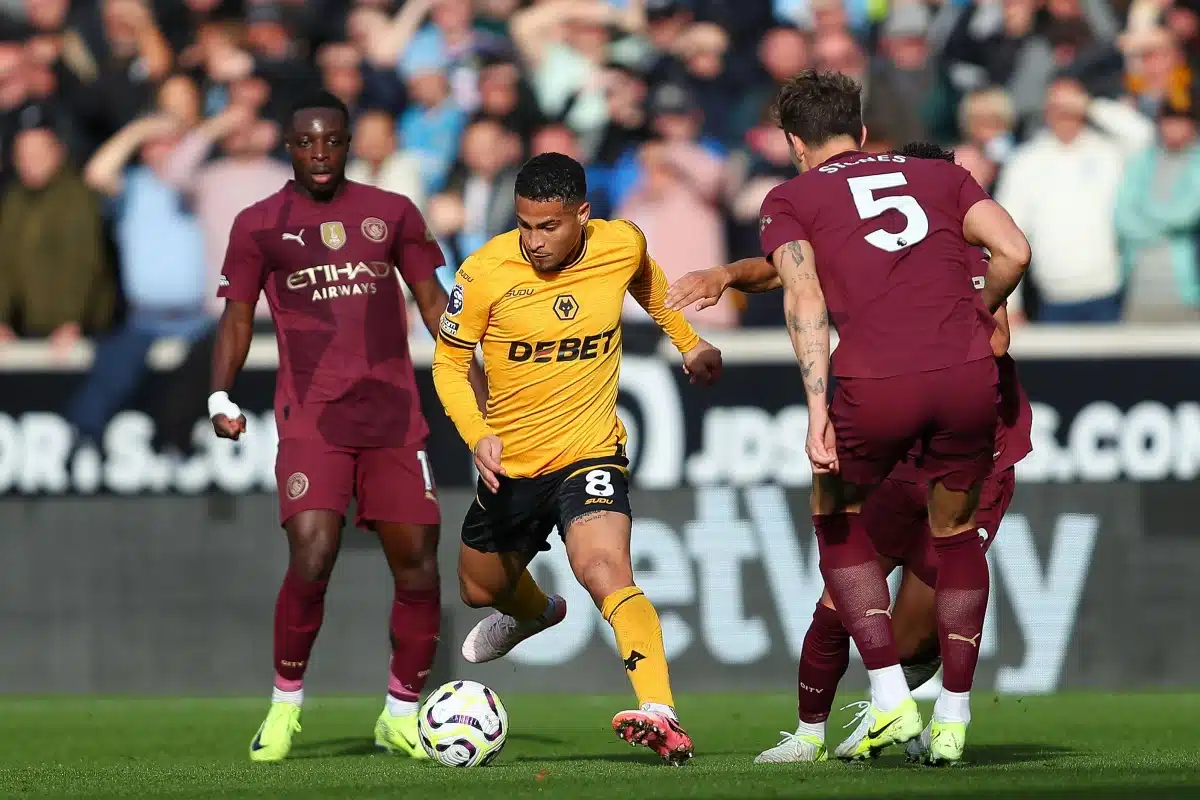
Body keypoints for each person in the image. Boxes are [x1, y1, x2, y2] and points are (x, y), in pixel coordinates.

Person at [667, 141, 1034, 765]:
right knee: (839, 603)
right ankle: (810, 734)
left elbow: (994, 340)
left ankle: (908, 707)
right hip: (899, 457)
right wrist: (727, 275)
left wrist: (949, 320)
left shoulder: (964, 259)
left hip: (968, 455)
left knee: (909, 629)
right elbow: (789, 269)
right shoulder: (893, 248)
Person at [753, 71, 1030, 764]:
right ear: (862, 130)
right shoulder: (941, 176)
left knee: (835, 515)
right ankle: (953, 716)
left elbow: (804, 296)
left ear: (794, 143)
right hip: (966, 377)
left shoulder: (792, 197)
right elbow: (1016, 252)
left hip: (875, 380)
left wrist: (816, 407)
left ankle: (888, 697)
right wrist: (977, 311)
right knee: (957, 536)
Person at [208, 89, 485, 763]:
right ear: (288, 147)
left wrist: (479, 395)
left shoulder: (392, 212)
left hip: (394, 418)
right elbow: (238, 316)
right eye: (306, 142)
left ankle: (400, 713)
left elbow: (433, 301)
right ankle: (285, 706)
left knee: (417, 568)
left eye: (332, 140)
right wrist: (220, 394)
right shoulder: (258, 224)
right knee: (312, 553)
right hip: (313, 419)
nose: (320, 153)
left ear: (349, 143)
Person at [431, 152, 722, 765]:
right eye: (525, 225)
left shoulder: (621, 243)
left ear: (582, 215)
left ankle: (660, 711)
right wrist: (477, 434)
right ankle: (537, 614)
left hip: (591, 452)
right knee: (479, 589)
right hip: (510, 463)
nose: (534, 240)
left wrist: (689, 343)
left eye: (549, 226)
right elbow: (449, 364)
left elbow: (647, 282)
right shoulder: (485, 271)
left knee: (604, 568)